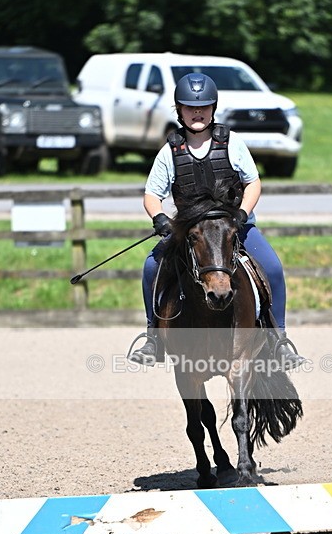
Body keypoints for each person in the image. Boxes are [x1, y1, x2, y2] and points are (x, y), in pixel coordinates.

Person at [128, 72, 304, 369]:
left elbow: (253, 182)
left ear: (213, 108)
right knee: (151, 267)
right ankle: (153, 338)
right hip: (191, 230)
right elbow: (151, 194)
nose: (197, 113)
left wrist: (243, 213)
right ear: (179, 110)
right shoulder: (170, 151)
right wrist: (159, 217)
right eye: (190, 107)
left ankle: (279, 341)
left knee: (273, 268)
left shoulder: (232, 143)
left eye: (203, 107)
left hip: (234, 226)